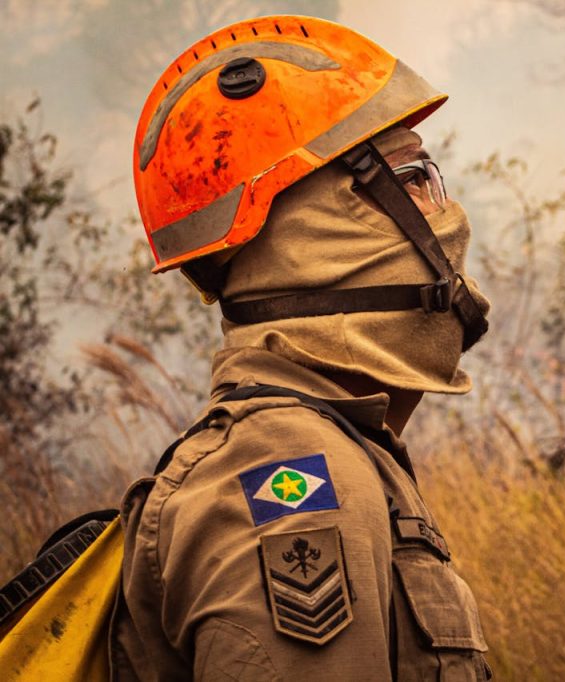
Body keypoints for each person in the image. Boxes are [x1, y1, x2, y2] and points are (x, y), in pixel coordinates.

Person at [111, 15, 492, 681]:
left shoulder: (333, 448)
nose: (446, 211)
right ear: (309, 228)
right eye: (416, 178)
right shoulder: (292, 481)